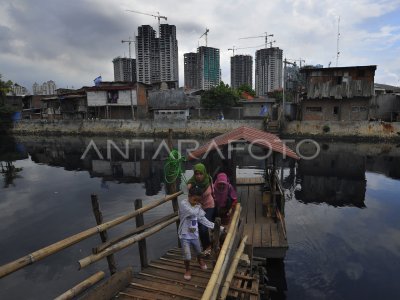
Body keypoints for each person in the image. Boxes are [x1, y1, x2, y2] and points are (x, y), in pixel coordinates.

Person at [178, 187, 220, 280]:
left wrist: (216, 226)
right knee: (187, 255)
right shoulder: (183, 204)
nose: (196, 202)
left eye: (198, 200)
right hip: (184, 234)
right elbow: (192, 212)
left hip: (194, 234)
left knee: (198, 251)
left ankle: (200, 260)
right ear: (189, 196)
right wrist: (199, 207)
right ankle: (187, 269)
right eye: (194, 199)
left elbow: (202, 219)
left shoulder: (197, 206)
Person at [187, 163, 215, 254]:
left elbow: (201, 194)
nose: (198, 176)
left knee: (203, 228)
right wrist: (189, 188)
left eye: (201, 174)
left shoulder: (208, 180)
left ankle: (208, 246)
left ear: (204, 173)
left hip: (208, 206)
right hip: (198, 209)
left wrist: (194, 191)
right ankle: (204, 246)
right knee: (196, 227)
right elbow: (187, 188)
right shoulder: (192, 182)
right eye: (196, 174)